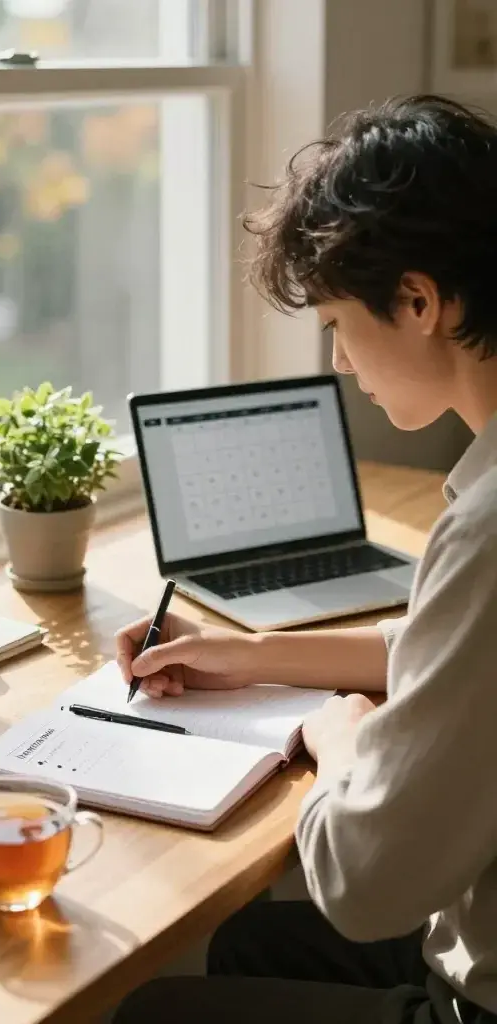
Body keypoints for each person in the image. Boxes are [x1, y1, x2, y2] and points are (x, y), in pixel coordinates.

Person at [114, 95, 497, 1023]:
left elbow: (362, 885)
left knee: (150, 1010)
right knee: (251, 943)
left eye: (335, 322)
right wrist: (248, 659)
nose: (337, 361)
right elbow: (458, 656)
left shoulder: (488, 529)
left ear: (417, 301)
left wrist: (340, 736)